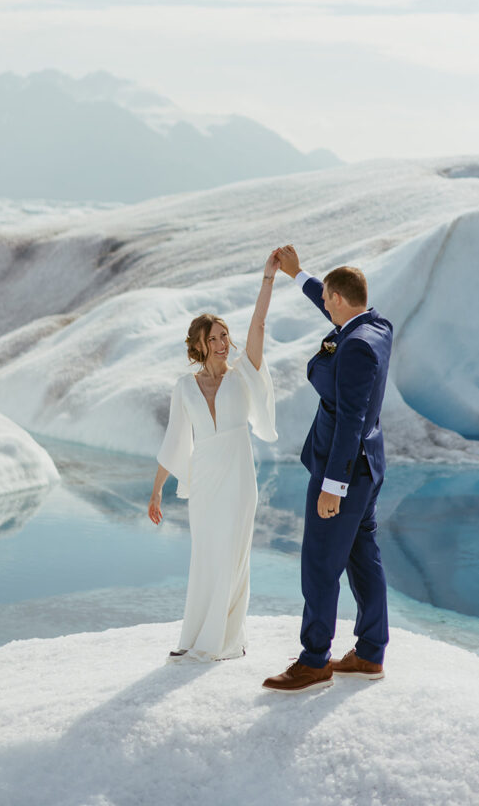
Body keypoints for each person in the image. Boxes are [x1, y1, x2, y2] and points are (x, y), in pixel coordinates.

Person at [263, 245, 393, 693]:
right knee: (363, 558)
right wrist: (299, 276)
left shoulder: (354, 347)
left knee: (320, 563)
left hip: (344, 471)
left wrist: (332, 486)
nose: (325, 305)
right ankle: (371, 650)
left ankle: (314, 660)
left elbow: (350, 421)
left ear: (338, 300)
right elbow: (333, 303)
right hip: (369, 467)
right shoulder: (375, 326)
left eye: (327, 300)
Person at [148, 252, 279, 662]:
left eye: (226, 336)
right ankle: (196, 637)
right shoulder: (184, 387)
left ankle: (226, 639)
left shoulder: (244, 375)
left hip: (240, 480)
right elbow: (174, 440)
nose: (224, 343)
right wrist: (155, 493)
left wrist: (267, 278)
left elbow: (258, 323)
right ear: (200, 345)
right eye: (215, 338)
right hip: (204, 482)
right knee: (206, 556)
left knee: (234, 556)